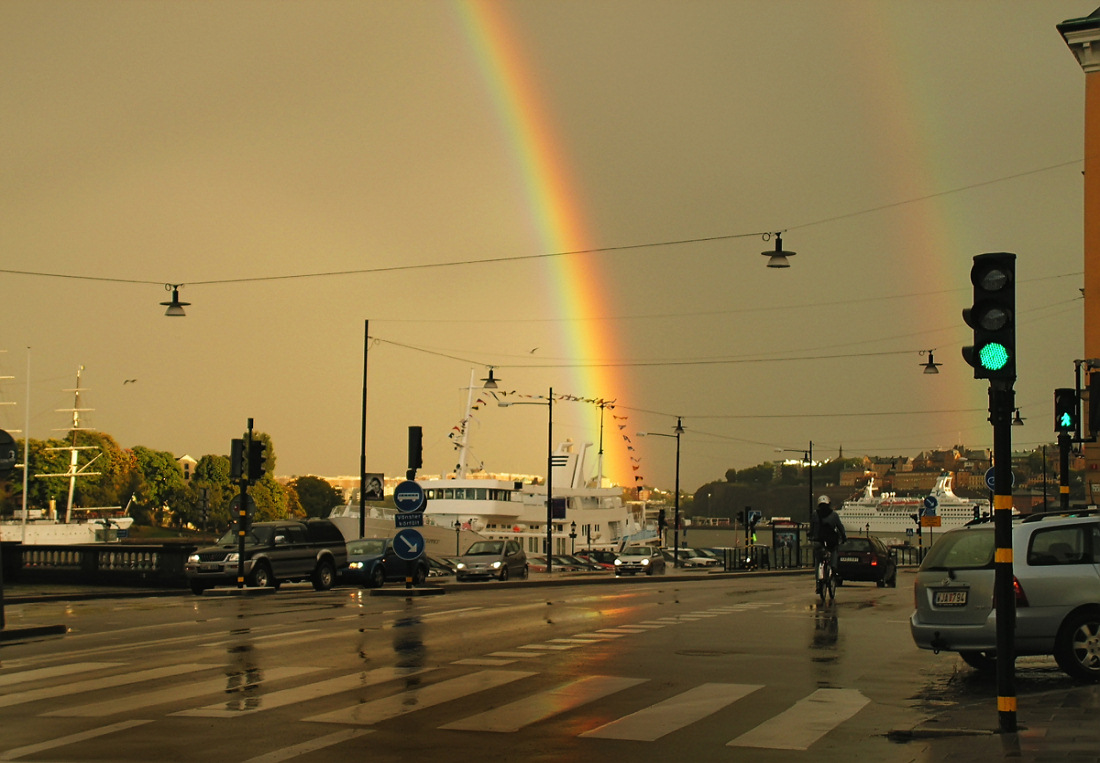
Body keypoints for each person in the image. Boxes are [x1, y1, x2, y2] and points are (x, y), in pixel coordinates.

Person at [809, 495, 847, 593]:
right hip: (831, 541)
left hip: (818, 541)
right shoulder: (834, 515)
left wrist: (811, 536)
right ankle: (833, 568)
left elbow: (811, 528)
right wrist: (843, 537)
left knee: (818, 562)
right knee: (834, 551)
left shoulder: (814, 514)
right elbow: (840, 527)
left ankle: (818, 584)